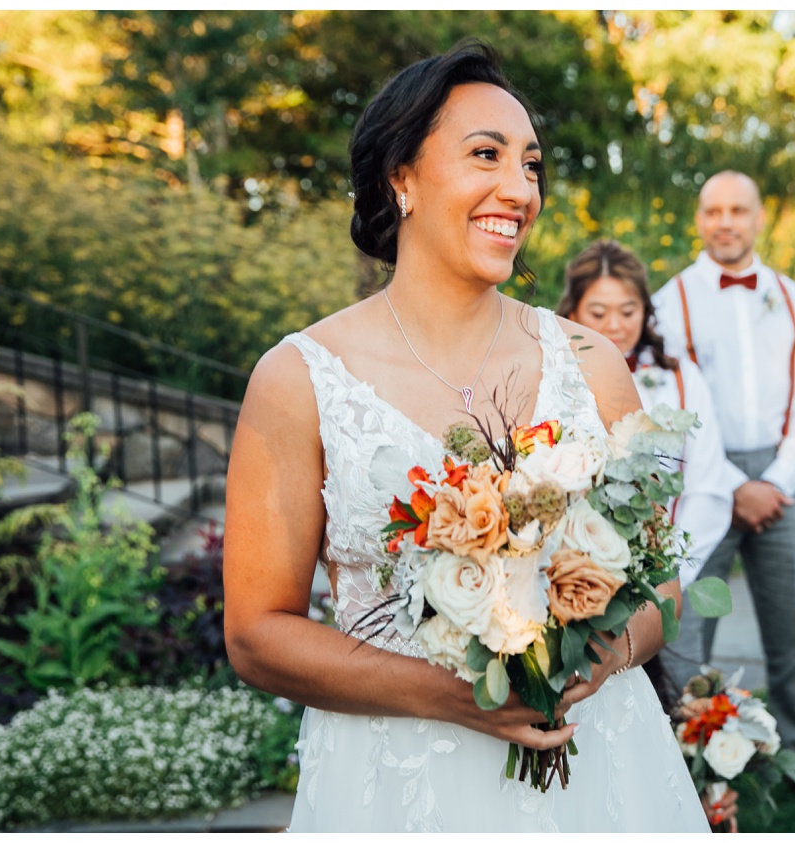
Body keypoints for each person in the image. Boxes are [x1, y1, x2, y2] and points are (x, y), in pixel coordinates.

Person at [220, 43, 704, 831]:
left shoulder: (594, 364)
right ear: (399, 178)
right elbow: (256, 635)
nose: (519, 189)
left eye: (532, 165)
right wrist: (464, 698)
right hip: (400, 783)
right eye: (486, 155)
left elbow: (664, 592)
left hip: (597, 765)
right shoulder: (298, 378)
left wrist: (586, 666)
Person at [652, 170, 795, 811]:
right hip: (701, 482)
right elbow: (667, 402)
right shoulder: (669, 301)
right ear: (699, 219)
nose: (725, 222)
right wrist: (732, 484)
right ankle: (683, 769)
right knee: (684, 639)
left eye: (738, 209)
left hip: (781, 485)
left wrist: (771, 483)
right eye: (713, 210)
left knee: (790, 641)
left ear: (759, 217)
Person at [554, 239, 744, 713]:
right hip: (579, 580)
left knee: (681, 698)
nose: (614, 326)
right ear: (573, 310)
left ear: (646, 311)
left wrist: (670, 572)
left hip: (668, 576)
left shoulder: (681, 380)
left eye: (627, 310)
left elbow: (706, 483)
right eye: (597, 313)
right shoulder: (554, 381)